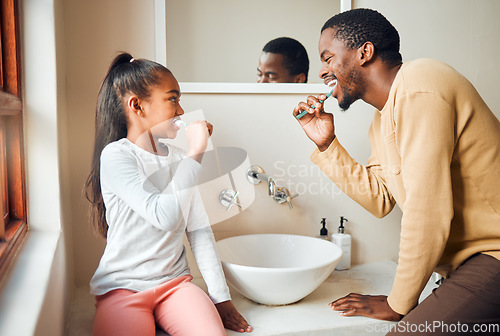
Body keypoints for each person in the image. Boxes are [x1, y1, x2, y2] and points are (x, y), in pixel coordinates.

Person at [293, 8, 500, 334]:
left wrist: (398, 303)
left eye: (328, 57)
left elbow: (427, 210)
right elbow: (380, 199)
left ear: (364, 52)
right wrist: (327, 145)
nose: (322, 71)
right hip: (468, 264)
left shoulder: (420, 82)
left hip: (494, 254)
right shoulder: (383, 119)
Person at [84, 52, 252, 336]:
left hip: (175, 285)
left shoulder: (178, 159)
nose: (181, 111)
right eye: (172, 99)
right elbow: (163, 215)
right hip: (122, 288)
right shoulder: (117, 156)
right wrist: (195, 152)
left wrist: (220, 298)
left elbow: (199, 232)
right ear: (137, 105)